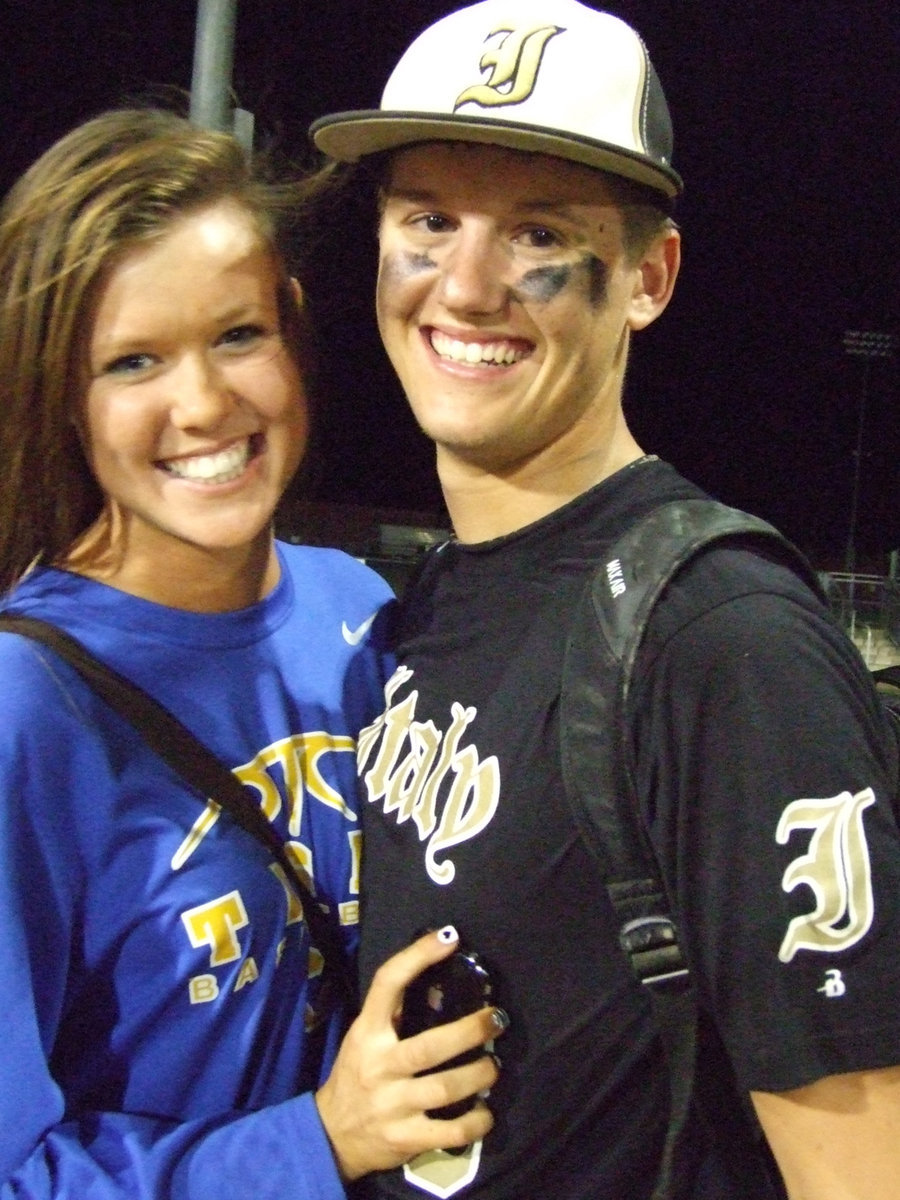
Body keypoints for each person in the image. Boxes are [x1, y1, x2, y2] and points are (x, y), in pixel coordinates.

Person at [309, 2, 900, 1197]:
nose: (466, 286)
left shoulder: (722, 638)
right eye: (428, 219)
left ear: (649, 276)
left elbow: (866, 1161)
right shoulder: (425, 607)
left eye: (535, 232)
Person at [0, 107, 506, 1199]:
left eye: (238, 336)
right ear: (63, 395)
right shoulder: (24, 709)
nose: (204, 404)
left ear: (294, 329)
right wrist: (317, 1143)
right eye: (133, 360)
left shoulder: (360, 614)